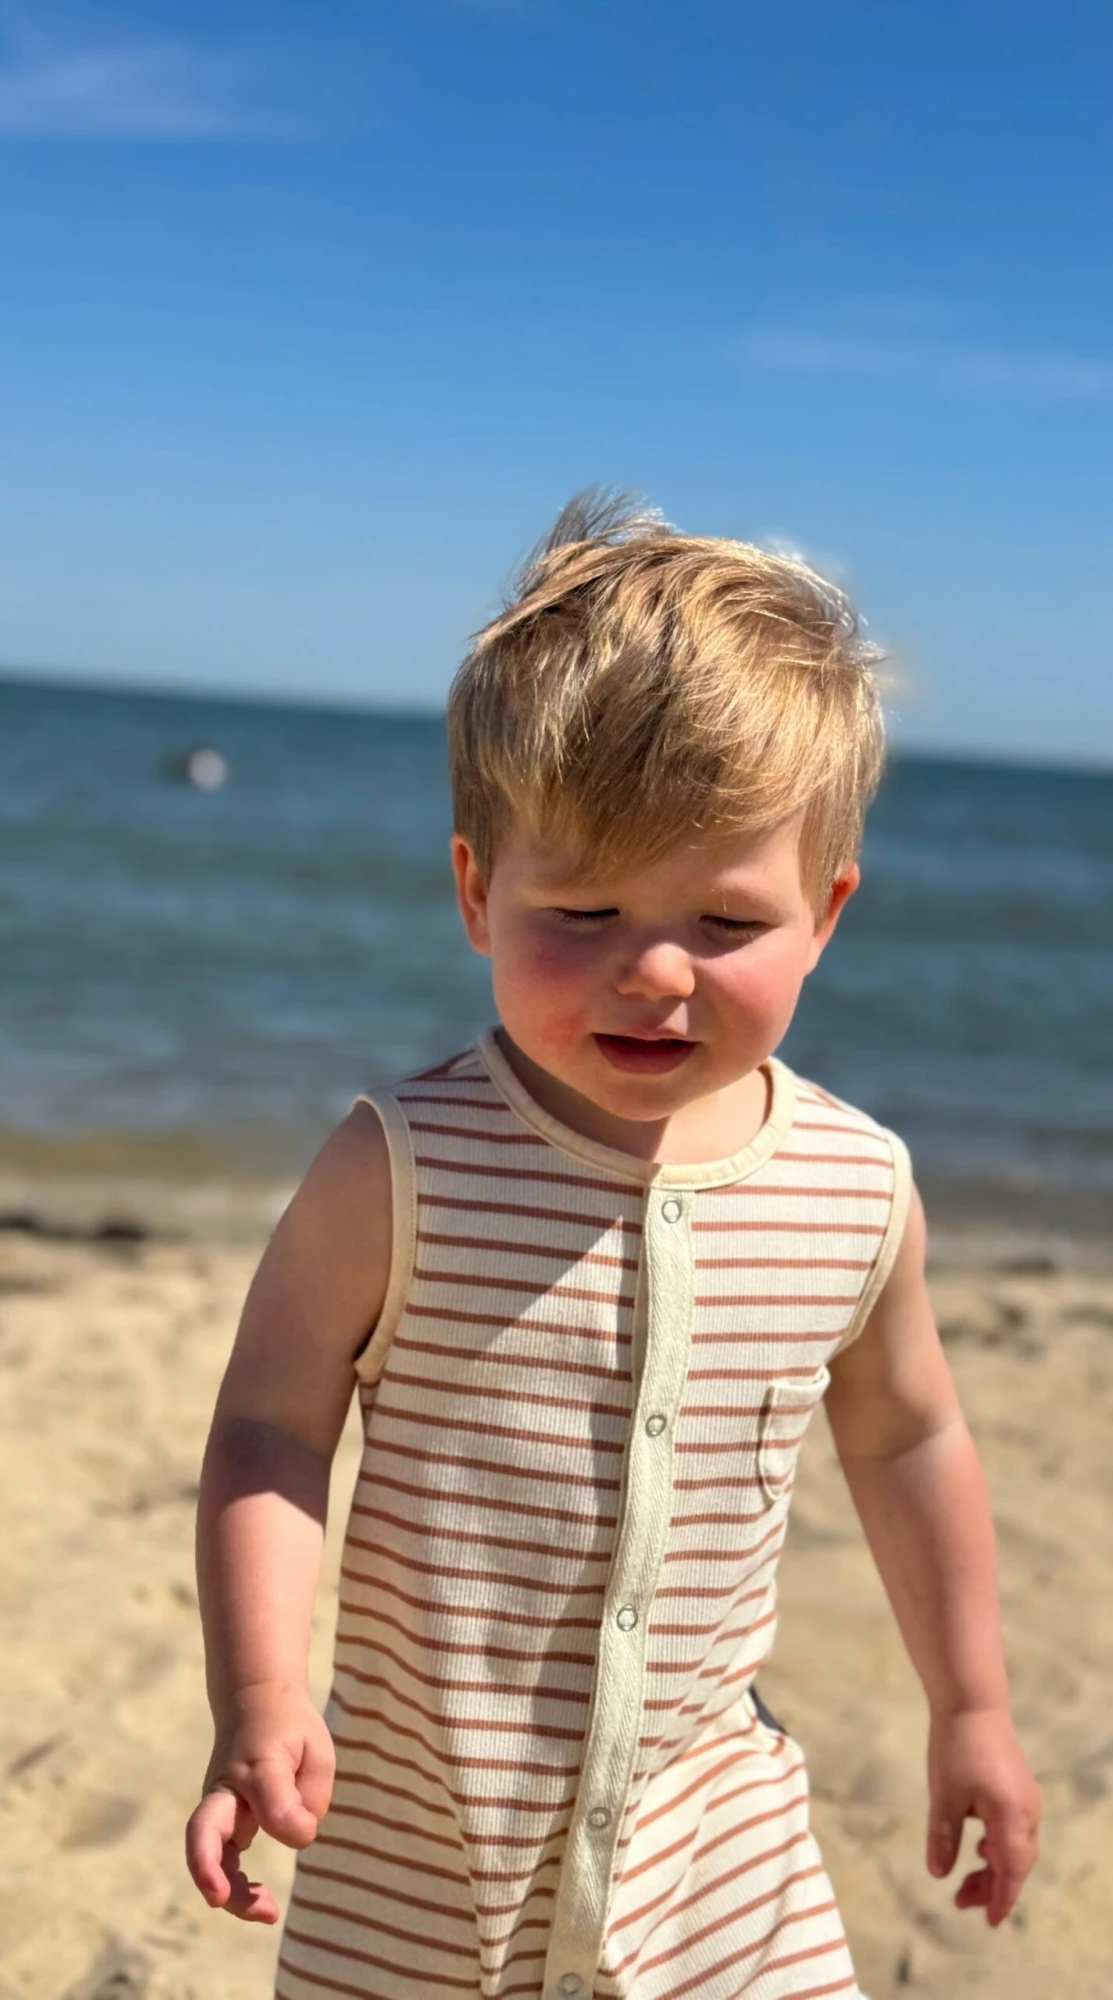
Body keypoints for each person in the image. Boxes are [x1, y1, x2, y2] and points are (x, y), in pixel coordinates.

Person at [184, 494, 1041, 1998]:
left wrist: (971, 1707)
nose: (652, 969)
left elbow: (908, 1437)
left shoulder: (856, 1186)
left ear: (826, 913)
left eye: (727, 922)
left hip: (717, 1849)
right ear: (476, 892)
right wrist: (258, 1690)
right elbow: (270, 1424)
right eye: (582, 909)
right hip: (422, 1853)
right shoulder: (402, 1165)